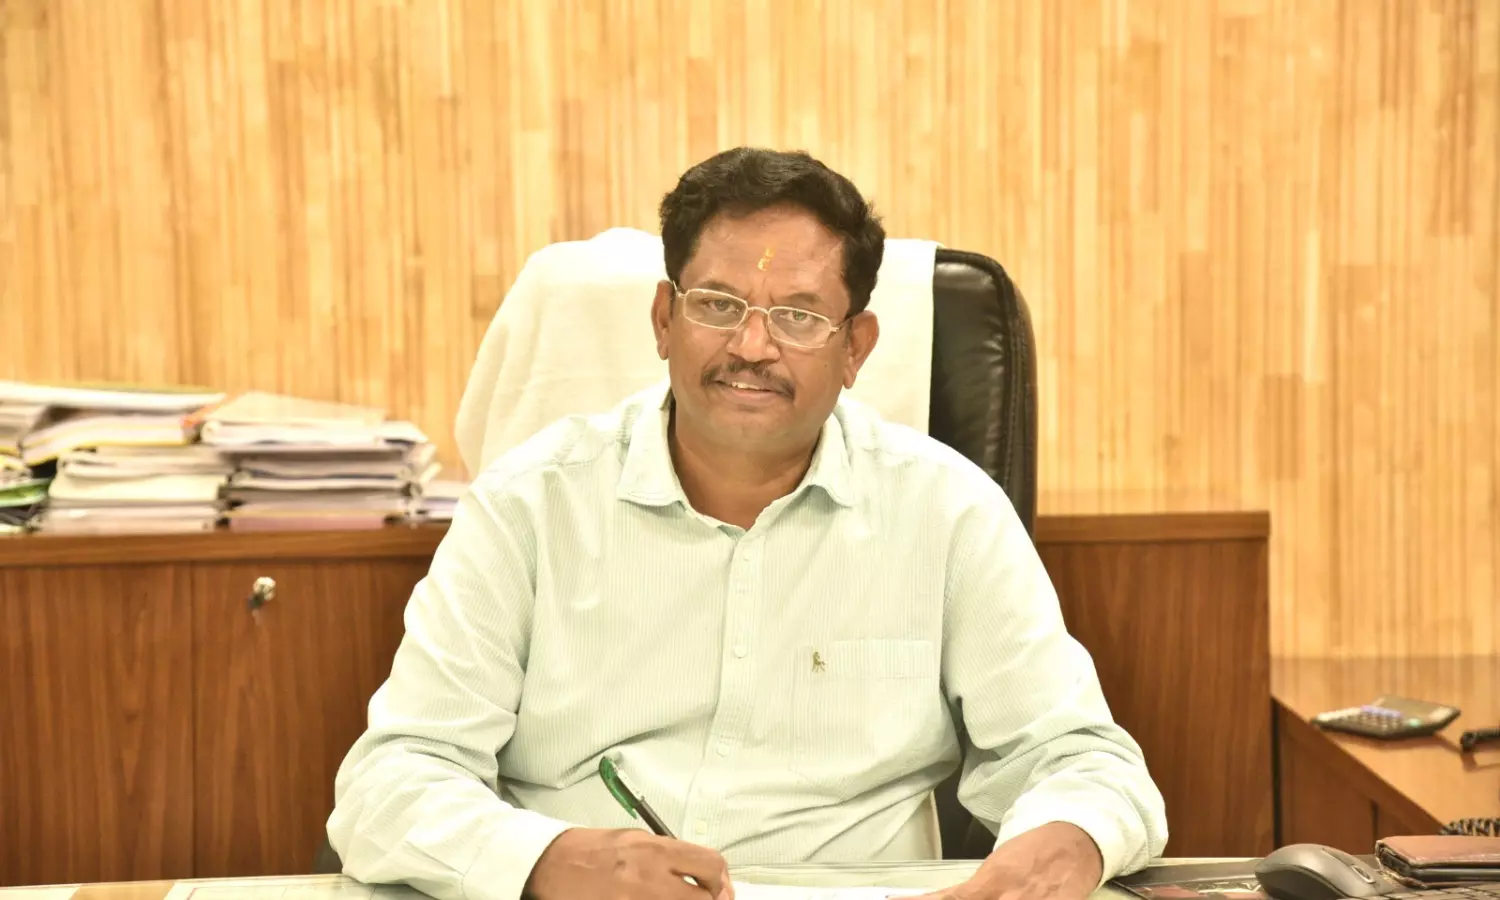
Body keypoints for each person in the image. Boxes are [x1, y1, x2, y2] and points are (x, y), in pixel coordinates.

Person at [327, 147, 1168, 900]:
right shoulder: (528, 506)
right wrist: (547, 860)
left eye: (800, 315)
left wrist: (1061, 845)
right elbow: (389, 781)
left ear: (856, 347)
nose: (753, 346)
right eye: (719, 304)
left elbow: (1083, 760)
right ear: (665, 319)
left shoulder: (948, 512)